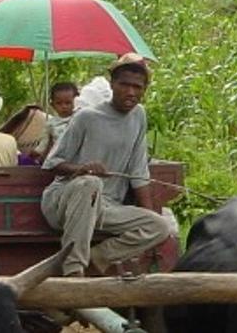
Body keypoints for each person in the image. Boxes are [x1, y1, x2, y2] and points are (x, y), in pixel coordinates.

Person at [40, 54, 173, 277]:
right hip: (67, 202)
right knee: (90, 183)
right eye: (124, 85)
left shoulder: (138, 116)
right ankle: (73, 271)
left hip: (106, 207)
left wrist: (149, 214)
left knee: (159, 227)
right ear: (112, 84)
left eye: (137, 87)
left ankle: (97, 257)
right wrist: (81, 169)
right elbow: (52, 163)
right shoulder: (87, 118)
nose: (131, 92)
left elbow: (139, 171)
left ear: (144, 89)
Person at [34, 81, 79, 161]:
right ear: (52, 105)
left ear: (76, 102)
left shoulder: (80, 119)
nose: (64, 106)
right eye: (59, 103)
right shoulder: (51, 124)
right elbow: (44, 143)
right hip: (59, 159)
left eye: (68, 103)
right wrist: (36, 153)